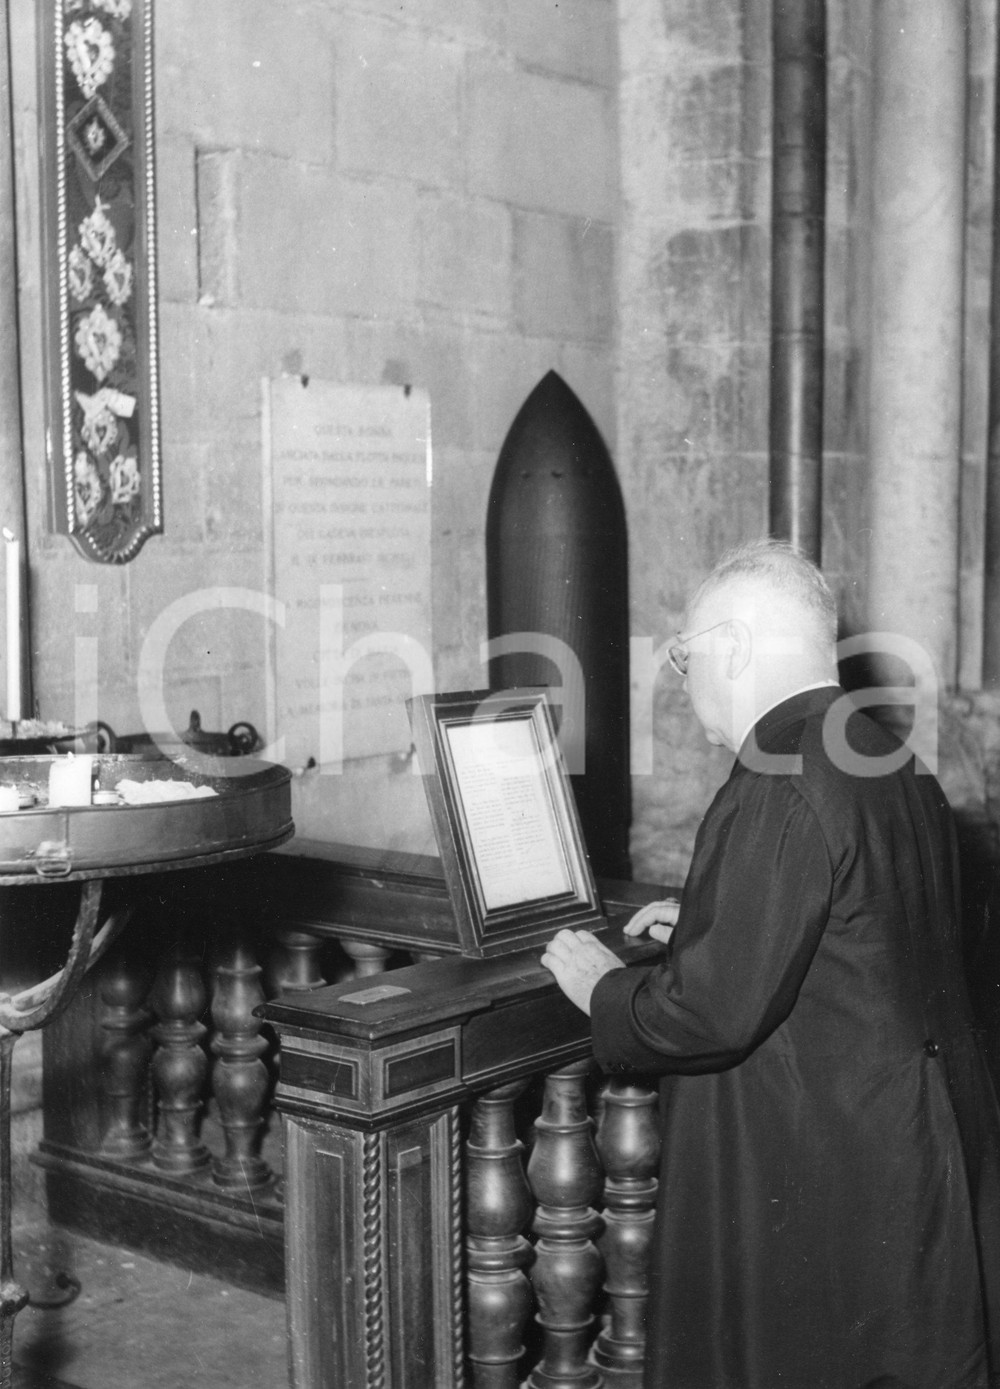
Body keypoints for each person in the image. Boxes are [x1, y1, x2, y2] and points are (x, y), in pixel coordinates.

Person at [541, 538, 1000, 1389]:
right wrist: (713, 923)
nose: (686, 685)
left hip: (830, 1156)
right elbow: (864, 934)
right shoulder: (886, 754)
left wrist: (602, 986)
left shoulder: (776, 774)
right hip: (911, 1139)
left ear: (736, 646)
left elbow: (708, 1014)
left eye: (686, 658)